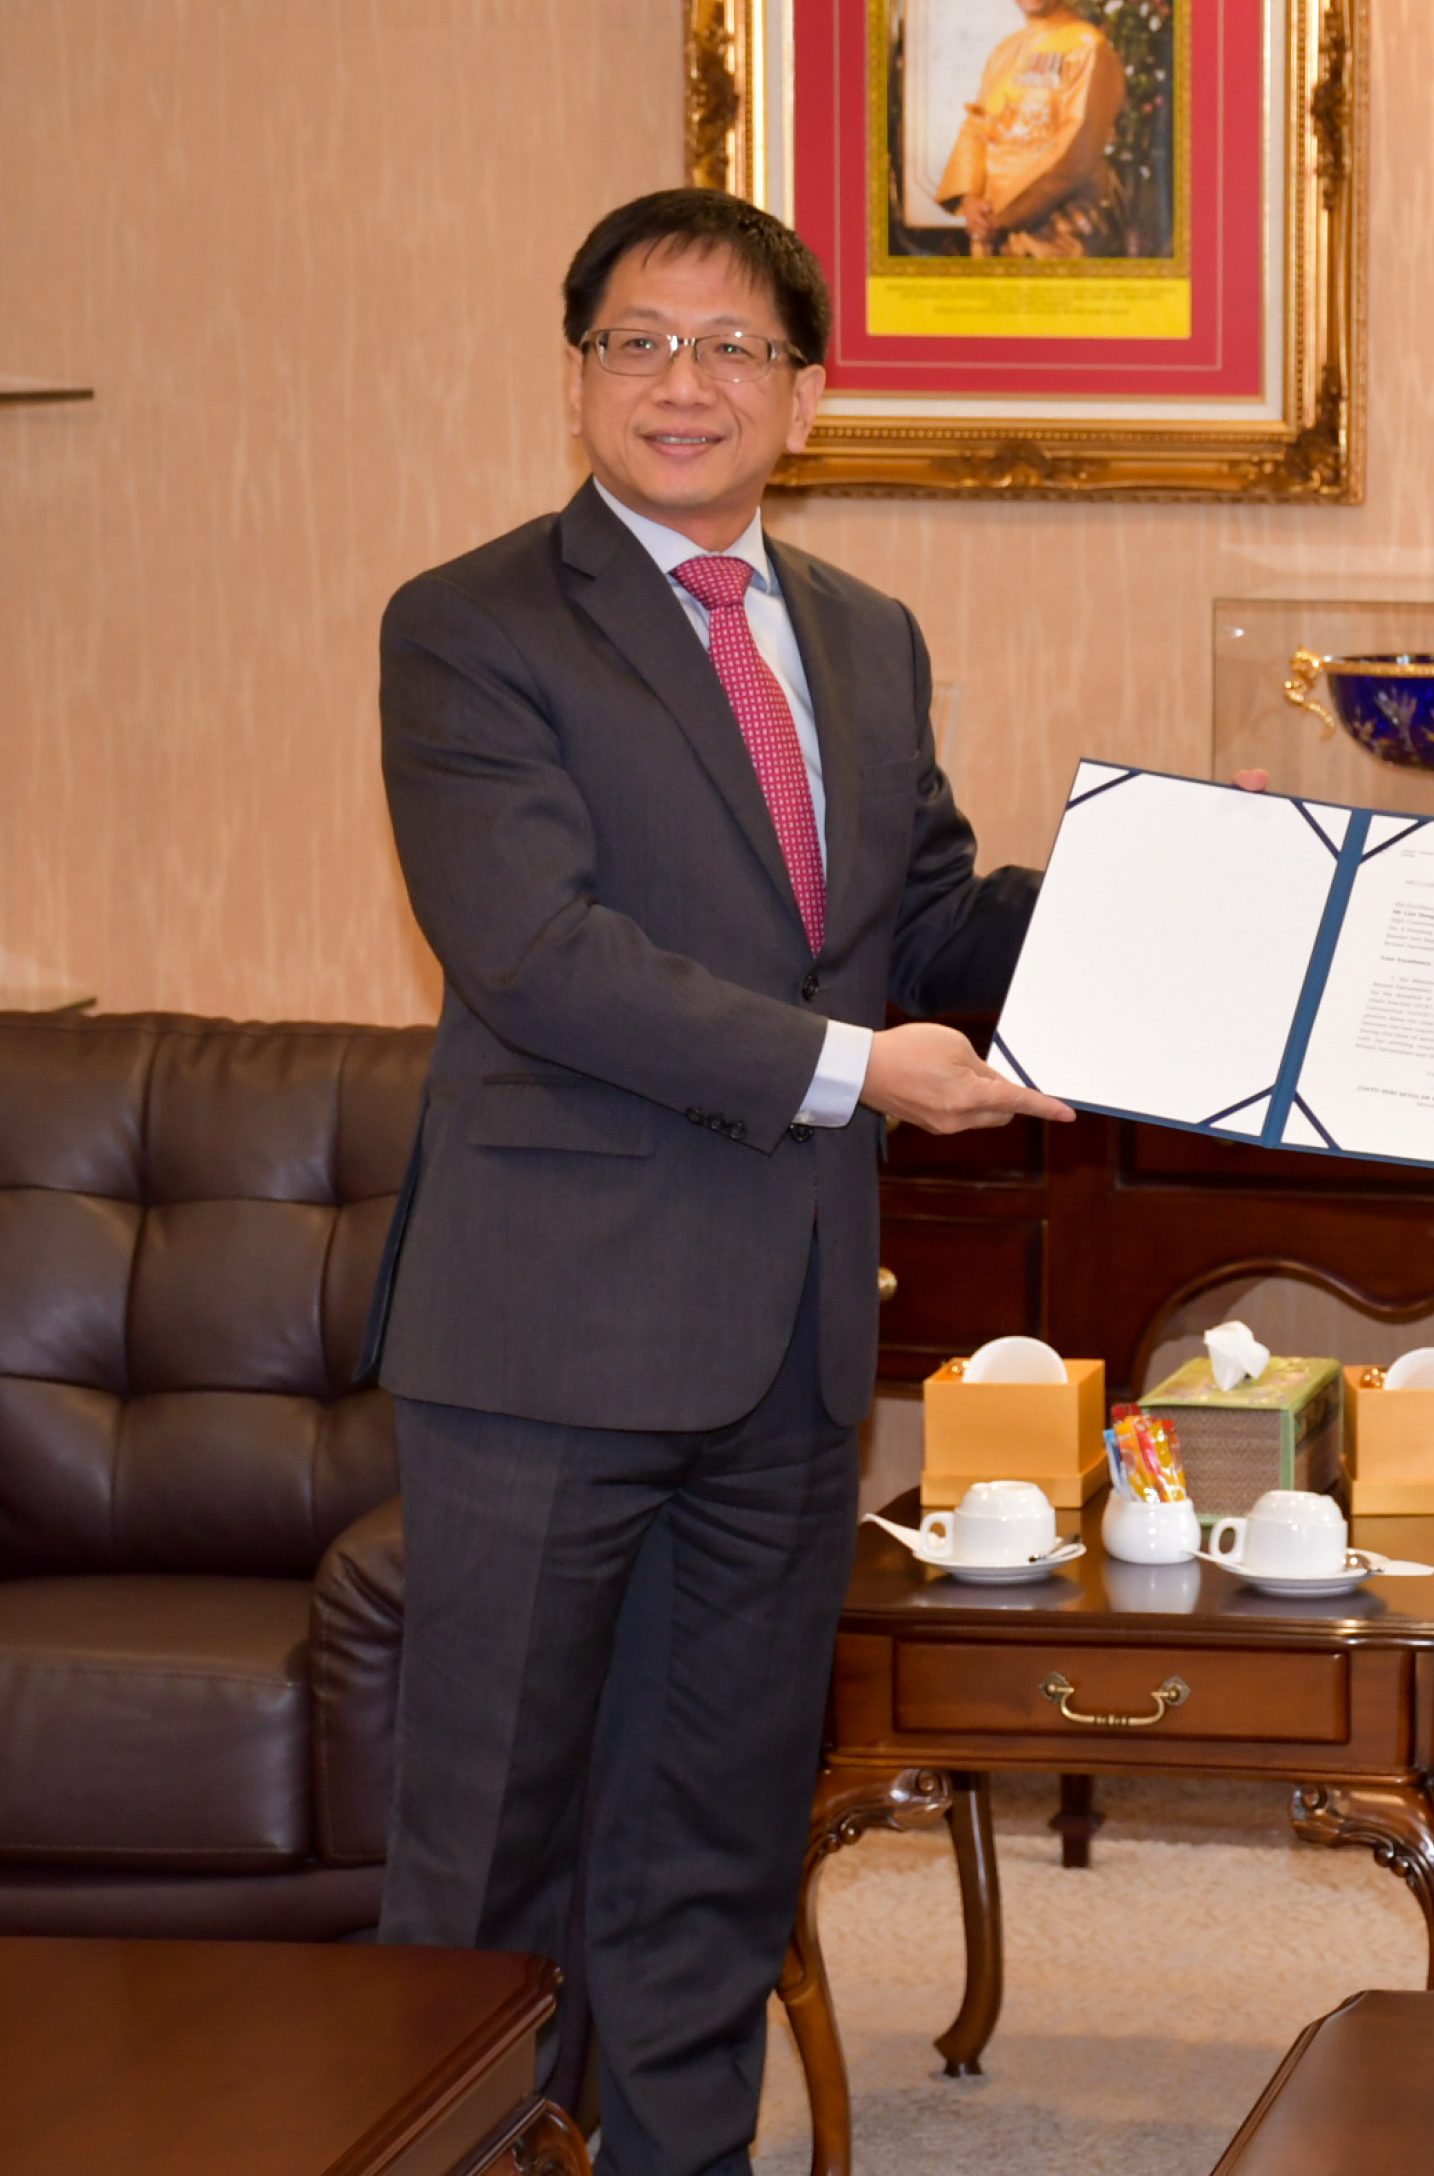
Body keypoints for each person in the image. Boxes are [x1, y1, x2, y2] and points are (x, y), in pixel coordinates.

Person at [366, 186, 1068, 2176]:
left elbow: (920, 913)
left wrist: (1198, 922)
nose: (684, 381)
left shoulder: (862, 634)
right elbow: (539, 953)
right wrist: (860, 1071)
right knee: (486, 1855)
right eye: (637, 343)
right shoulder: (470, 626)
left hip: (779, 1354)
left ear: (807, 393)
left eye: (731, 346)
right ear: (579, 374)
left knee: (711, 1852)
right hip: (541, 1342)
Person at [935, 0, 1127, 258]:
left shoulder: (1088, 47)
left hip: (1058, 235)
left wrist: (1005, 215)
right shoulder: (1004, 52)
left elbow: (1077, 147)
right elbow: (977, 128)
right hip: (992, 233)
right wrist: (970, 198)